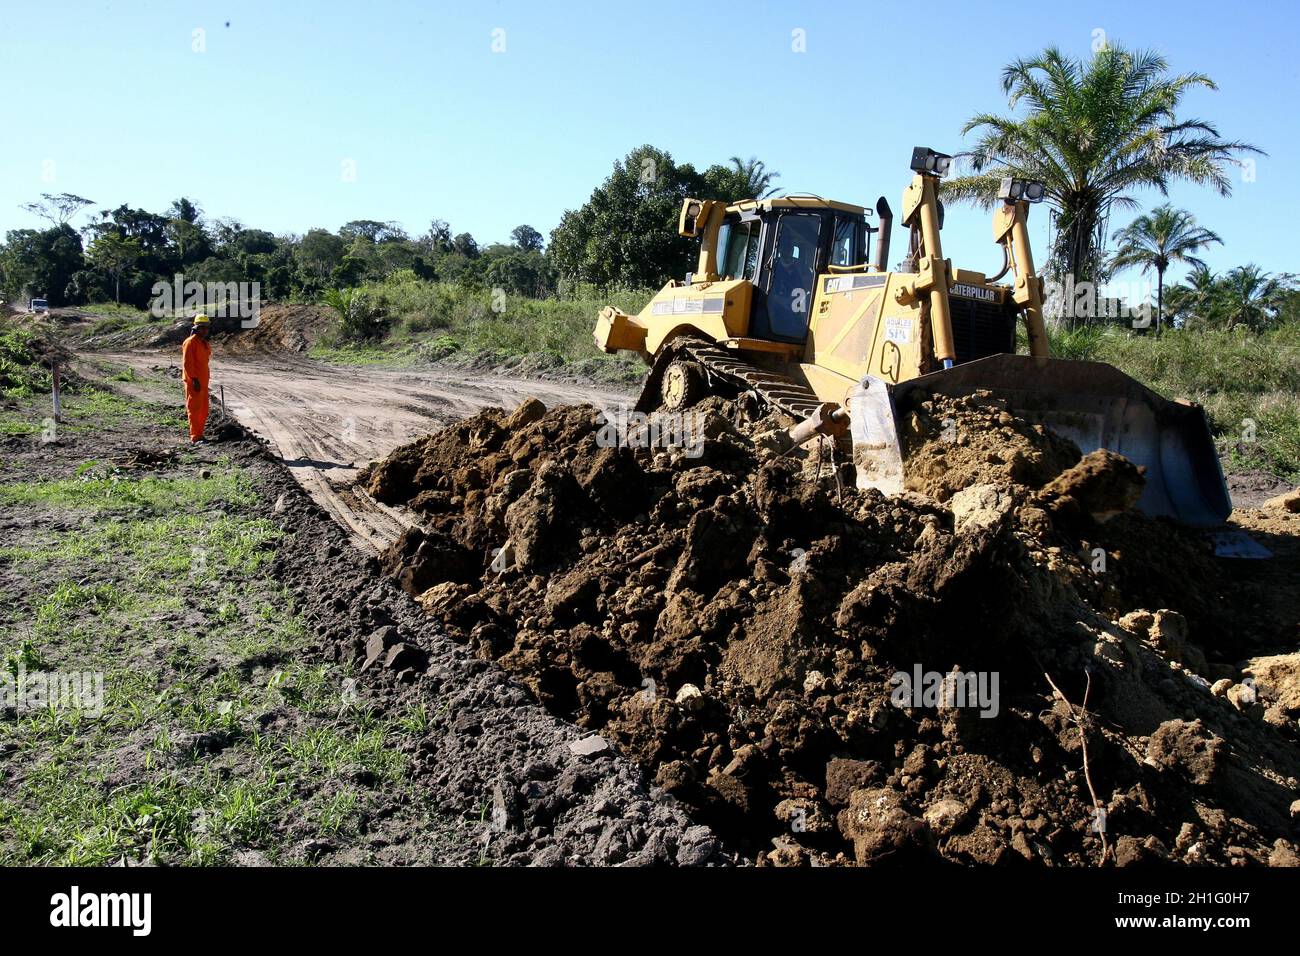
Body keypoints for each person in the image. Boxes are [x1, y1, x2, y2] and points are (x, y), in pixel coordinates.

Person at [180, 315, 212, 444]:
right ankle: (195, 436)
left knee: (203, 410)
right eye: (201, 328)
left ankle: (200, 434)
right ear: (196, 328)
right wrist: (193, 379)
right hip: (195, 382)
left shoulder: (204, 343)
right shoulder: (190, 342)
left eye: (206, 328)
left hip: (203, 382)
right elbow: (187, 363)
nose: (204, 331)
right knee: (194, 409)